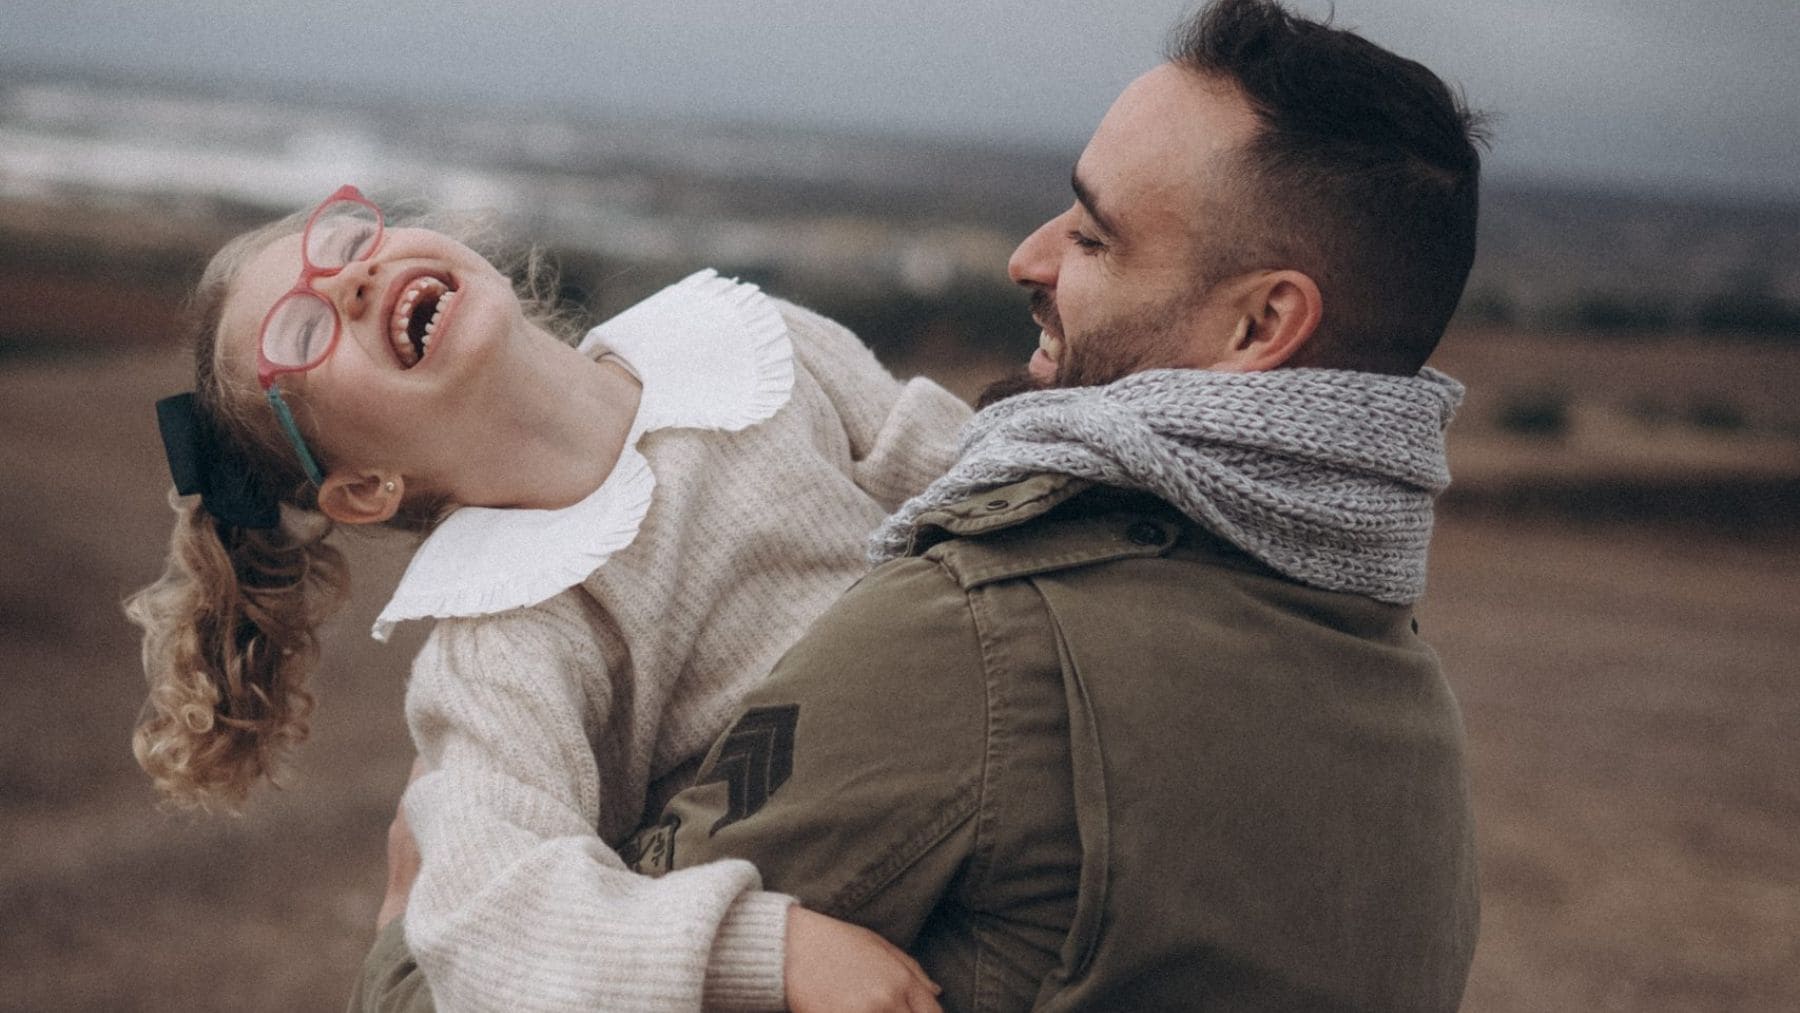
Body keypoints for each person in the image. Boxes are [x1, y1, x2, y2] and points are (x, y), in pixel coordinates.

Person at [625, 0, 1486, 1009]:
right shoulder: (1412, 714)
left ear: (1261, 323)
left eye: (1092, 234)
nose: (1028, 260)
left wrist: (429, 885)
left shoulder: (983, 632)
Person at [125, 185, 971, 1010]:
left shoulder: (747, 342)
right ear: (364, 489)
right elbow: (495, 921)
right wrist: (761, 949)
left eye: (347, 242)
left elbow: (971, 483)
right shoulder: (505, 642)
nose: (351, 277)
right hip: (898, 914)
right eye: (303, 332)